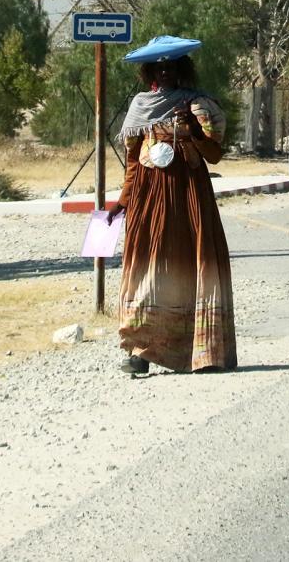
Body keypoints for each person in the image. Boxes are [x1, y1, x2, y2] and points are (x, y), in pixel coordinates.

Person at [107, 36, 236, 375]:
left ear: (182, 69)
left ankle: (204, 353)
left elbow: (214, 155)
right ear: (149, 70)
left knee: (194, 268)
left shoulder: (199, 105)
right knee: (149, 272)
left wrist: (194, 130)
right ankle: (141, 351)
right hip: (150, 200)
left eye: (172, 66)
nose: (165, 72)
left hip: (190, 197)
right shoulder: (140, 108)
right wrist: (123, 201)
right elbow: (133, 161)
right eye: (158, 67)